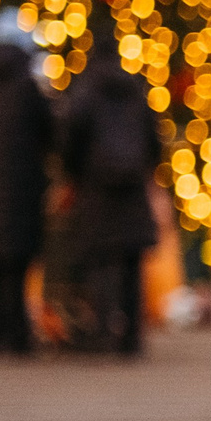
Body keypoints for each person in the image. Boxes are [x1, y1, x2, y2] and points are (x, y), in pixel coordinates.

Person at [60, 44, 161, 356]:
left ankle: (104, 333)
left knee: (101, 260)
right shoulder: (135, 90)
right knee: (131, 262)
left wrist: (73, 175)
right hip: (132, 188)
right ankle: (131, 338)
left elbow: (70, 140)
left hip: (96, 189)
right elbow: (154, 140)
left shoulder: (85, 93)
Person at [0, 11, 56, 356]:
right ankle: (15, 336)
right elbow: (48, 132)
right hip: (20, 187)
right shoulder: (27, 86)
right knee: (16, 269)